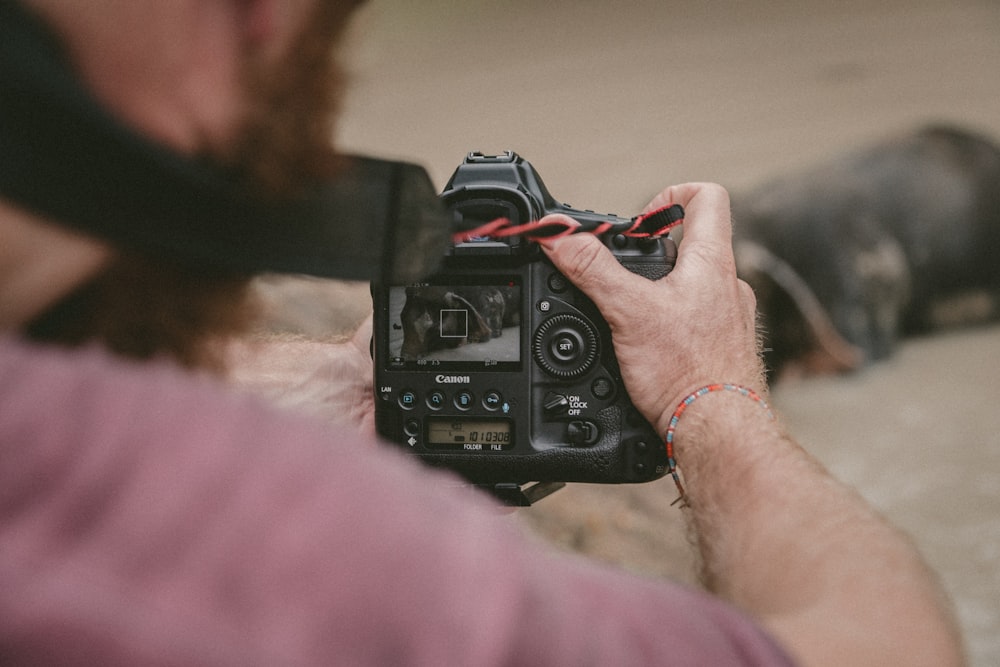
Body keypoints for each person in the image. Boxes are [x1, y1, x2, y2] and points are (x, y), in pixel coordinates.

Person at [0, 0, 964, 664]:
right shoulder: (314, 559)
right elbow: (891, 648)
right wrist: (711, 397)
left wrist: (341, 377)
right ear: (255, 21)